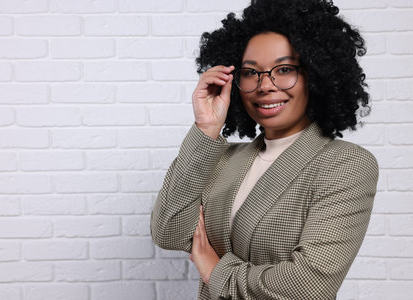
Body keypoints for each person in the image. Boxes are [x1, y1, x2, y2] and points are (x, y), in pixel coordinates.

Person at [150, 0, 379, 299]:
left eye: (284, 69)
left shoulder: (344, 164)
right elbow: (168, 233)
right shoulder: (220, 159)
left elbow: (309, 286)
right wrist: (207, 129)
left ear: (316, 74)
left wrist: (213, 269)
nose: (265, 85)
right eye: (250, 72)